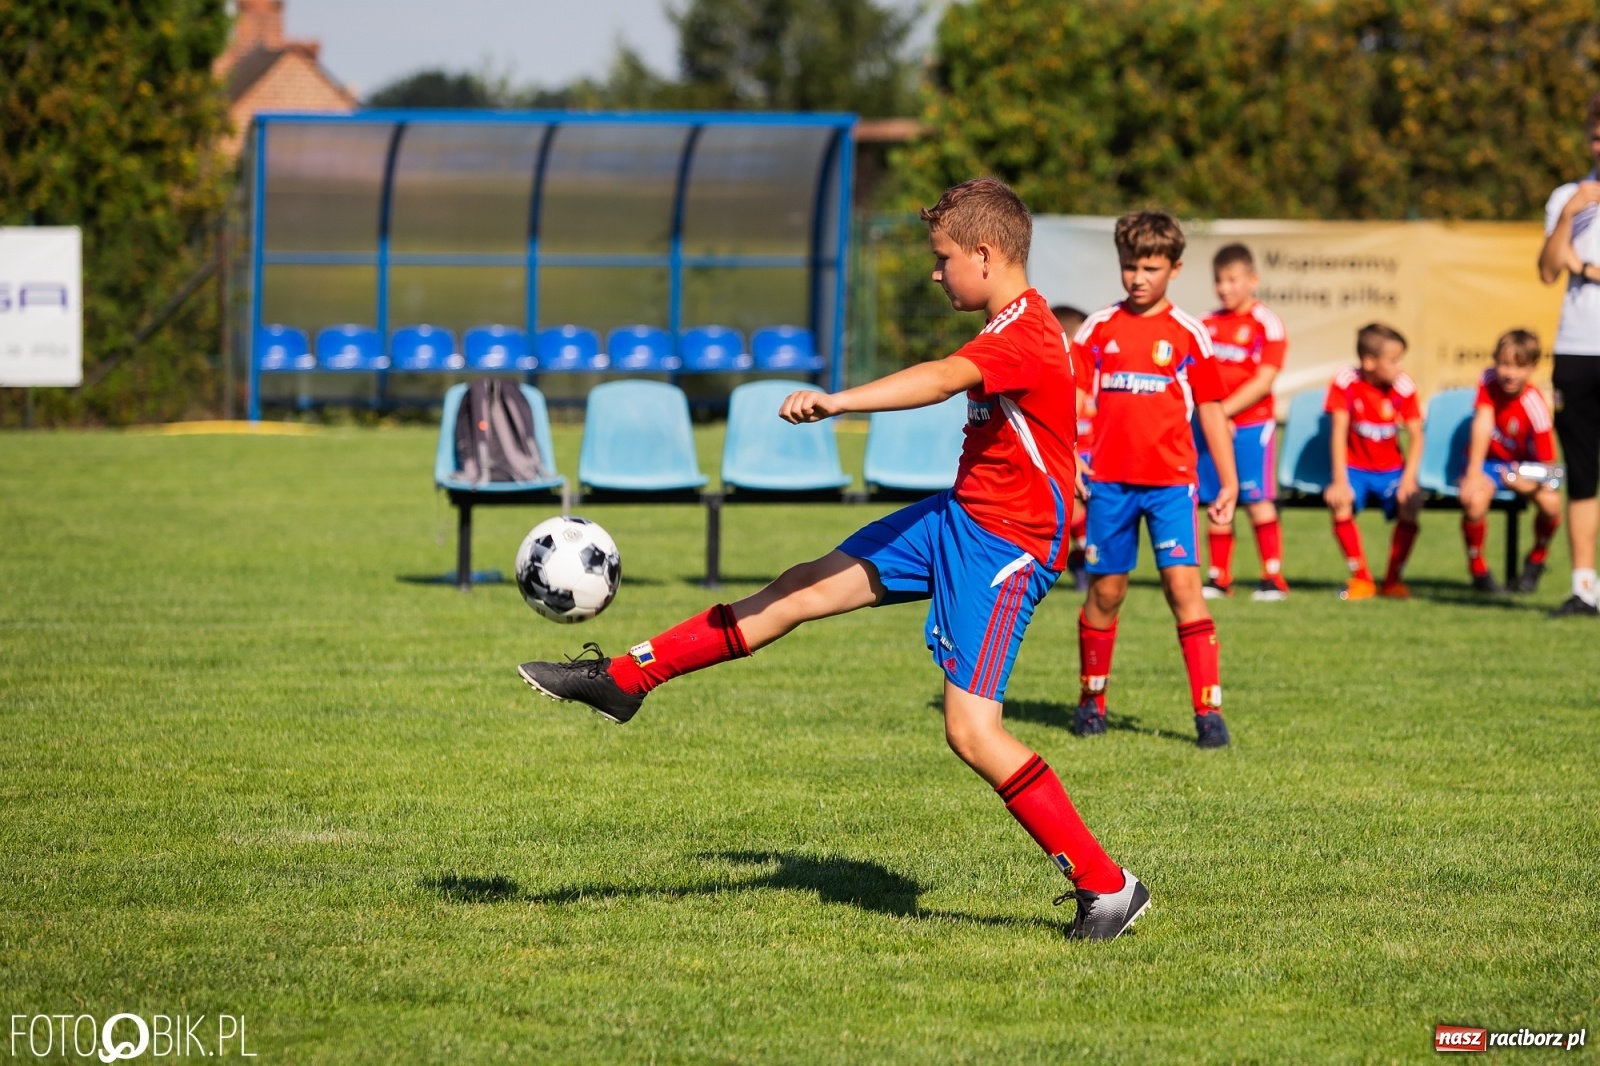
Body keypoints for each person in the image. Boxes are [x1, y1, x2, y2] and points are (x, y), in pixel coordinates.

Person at [517, 178, 1151, 941]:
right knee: (796, 590)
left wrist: (839, 401)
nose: (935, 271)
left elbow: (942, 377)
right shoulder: (1011, 323)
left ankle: (1108, 887)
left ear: (986, 254)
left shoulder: (1027, 333)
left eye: (942, 258)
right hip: (957, 520)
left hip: (1004, 549)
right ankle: (624, 678)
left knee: (972, 731)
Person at [1069, 211, 1239, 749]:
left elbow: (1211, 409)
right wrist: (1071, 458)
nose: (1137, 277)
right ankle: (1092, 700)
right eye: (1128, 266)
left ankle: (1208, 713)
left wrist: (1228, 482)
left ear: (1175, 267)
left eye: (1149, 267)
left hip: (1171, 483)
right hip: (1109, 485)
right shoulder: (1098, 330)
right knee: (1107, 592)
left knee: (1183, 588)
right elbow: (1071, 402)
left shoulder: (1189, 334)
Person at [1536, 91, 1600, 617]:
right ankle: (1584, 587)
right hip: (1578, 346)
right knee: (1581, 471)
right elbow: (1547, 270)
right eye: (1595, 134)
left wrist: (1591, 269)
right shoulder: (1567, 196)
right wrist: (1570, 217)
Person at [1199, 244, 1290, 602]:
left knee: (1257, 499)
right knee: (1217, 498)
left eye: (1232, 280)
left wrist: (1223, 412)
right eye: (1219, 280)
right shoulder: (1206, 324)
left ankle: (1273, 578)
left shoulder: (1266, 323)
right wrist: (1211, 415)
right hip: (1211, 425)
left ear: (1253, 280)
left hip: (1252, 425)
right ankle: (1218, 577)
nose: (1224, 288)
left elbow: (1264, 380)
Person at [1323, 323, 1424, 601]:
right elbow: (1338, 433)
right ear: (1369, 361)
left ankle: (1393, 581)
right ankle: (1362, 579)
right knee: (1340, 501)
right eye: (1393, 360)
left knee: (1410, 503)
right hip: (1355, 470)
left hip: (1392, 472)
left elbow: (1416, 437)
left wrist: (1408, 480)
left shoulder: (1403, 386)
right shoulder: (1345, 381)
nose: (1399, 367)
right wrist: (1340, 480)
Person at [1457, 330, 1563, 594]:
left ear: (1533, 367)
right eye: (1504, 364)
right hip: (1486, 464)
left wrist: (1523, 484)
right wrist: (1472, 473)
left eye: (1519, 366)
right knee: (1474, 501)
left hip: (1522, 471)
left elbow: (1551, 471)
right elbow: (1482, 422)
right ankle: (1478, 568)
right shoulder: (1488, 380)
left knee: (1552, 504)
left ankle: (1537, 559)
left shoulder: (1535, 405)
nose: (1509, 373)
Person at [1052, 303, 1092, 591]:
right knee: (1074, 509)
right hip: (1070, 452)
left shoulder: (1093, 367)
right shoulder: (1055, 370)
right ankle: (1085, 561)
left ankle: (1083, 560)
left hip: (1098, 453)